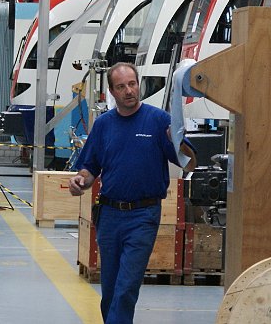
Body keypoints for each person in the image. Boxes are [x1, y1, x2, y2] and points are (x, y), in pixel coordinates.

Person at [68, 62, 195, 324]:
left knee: (126, 287)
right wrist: (80, 181)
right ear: (112, 92)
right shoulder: (103, 125)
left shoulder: (159, 121)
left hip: (143, 216)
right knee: (110, 289)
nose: (128, 91)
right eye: (121, 86)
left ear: (139, 85)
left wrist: (179, 142)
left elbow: (189, 164)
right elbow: (89, 168)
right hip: (109, 216)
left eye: (132, 84)